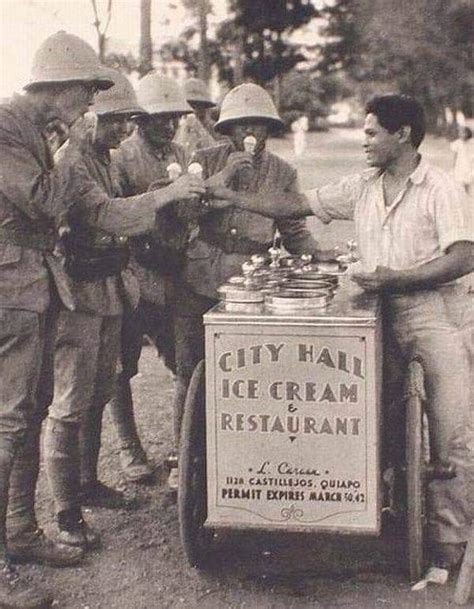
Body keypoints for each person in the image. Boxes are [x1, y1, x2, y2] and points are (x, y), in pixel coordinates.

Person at [208, 93, 474, 577]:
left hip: (437, 315)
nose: (364, 142)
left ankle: (448, 544)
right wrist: (232, 197)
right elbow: (295, 205)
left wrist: (397, 277)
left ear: (403, 136)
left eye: (371, 133)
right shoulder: (364, 186)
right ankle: (393, 511)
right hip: (381, 313)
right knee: (380, 418)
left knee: (451, 435)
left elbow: (463, 257)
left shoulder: (441, 188)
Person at [44, 68, 204, 548]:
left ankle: (87, 485)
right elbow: (110, 215)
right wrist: (168, 195)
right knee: (70, 402)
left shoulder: (103, 160)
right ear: (89, 116)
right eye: (115, 121)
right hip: (77, 291)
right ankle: (66, 512)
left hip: (108, 286)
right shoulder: (72, 162)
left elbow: (123, 220)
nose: (123, 130)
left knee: (98, 390)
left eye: (127, 120)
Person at [0, 30, 114, 609]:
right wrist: (72, 156)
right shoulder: (4, 125)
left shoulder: (32, 130)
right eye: (85, 92)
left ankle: (19, 534)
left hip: (35, 289)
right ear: (59, 87)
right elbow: (43, 201)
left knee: (28, 414)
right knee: (7, 422)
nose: (89, 104)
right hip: (11, 289)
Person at [173, 83, 334, 483]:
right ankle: (185, 460)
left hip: (251, 282)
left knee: (246, 375)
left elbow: (293, 228)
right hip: (198, 275)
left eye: (258, 125)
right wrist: (224, 178)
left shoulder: (283, 172)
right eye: (241, 125)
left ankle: (240, 457)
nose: (250, 133)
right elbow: (183, 212)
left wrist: (318, 255)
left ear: (268, 129)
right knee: (189, 371)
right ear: (226, 130)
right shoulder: (205, 160)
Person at [111, 73, 194, 486]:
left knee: (182, 362)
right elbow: (116, 215)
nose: (170, 125)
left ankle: (184, 451)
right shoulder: (122, 156)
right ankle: (129, 447)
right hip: (134, 271)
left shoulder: (180, 150)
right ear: (140, 119)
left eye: (175, 118)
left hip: (173, 272)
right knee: (122, 367)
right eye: (161, 118)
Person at [174, 77, 217, 155]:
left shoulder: (216, 131)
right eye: (191, 105)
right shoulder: (171, 131)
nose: (195, 111)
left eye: (200, 106)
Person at [451, 126, 473, 195]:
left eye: (464, 133)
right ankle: (462, 192)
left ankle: (467, 191)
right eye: (461, 133)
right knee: (460, 177)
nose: (462, 135)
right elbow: (455, 155)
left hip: (469, 162)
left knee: (468, 177)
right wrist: (453, 164)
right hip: (460, 162)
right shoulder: (457, 143)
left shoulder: (472, 143)